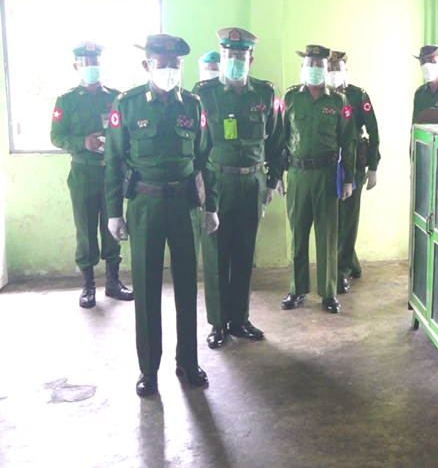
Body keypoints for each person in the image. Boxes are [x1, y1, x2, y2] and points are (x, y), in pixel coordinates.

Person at [105, 34, 210, 397]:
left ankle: (188, 362)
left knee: (187, 286)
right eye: (161, 64)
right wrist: (114, 213)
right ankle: (148, 369)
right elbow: (113, 162)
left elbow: (203, 160)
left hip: (185, 205)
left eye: (175, 65)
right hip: (145, 205)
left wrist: (210, 206)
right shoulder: (128, 104)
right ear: (147, 65)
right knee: (147, 288)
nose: (169, 70)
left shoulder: (193, 105)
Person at [194, 28, 281, 349]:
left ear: (250, 60)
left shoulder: (265, 94)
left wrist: (272, 180)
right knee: (216, 256)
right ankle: (218, 323)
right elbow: (196, 146)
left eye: (240, 56)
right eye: (229, 55)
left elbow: (276, 140)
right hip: (217, 182)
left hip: (252, 183)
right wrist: (199, 186)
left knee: (244, 254)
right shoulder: (204, 94)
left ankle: (240, 319)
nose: (235, 61)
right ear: (222, 57)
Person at [50, 41, 133, 308]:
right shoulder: (67, 101)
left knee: (113, 225)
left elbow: (126, 131)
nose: (92, 67)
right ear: (76, 66)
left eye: (95, 62)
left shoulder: (116, 98)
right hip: (83, 173)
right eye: (86, 63)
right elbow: (56, 136)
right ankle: (88, 286)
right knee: (85, 230)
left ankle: (113, 282)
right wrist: (82, 142)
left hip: (111, 172)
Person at [277, 44, 355, 314]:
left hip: (326, 175)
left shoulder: (338, 101)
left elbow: (348, 141)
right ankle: (297, 289)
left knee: (327, 237)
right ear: (303, 67)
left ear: (325, 68)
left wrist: (348, 179)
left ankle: (328, 293)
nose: (314, 69)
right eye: (310, 64)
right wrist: (277, 174)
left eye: (319, 65)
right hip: (297, 174)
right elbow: (280, 138)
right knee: (298, 235)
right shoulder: (290, 98)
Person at [327, 51, 380, 292]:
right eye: (329, 69)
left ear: (346, 71)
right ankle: (352, 263)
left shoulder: (359, 96)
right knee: (335, 218)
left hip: (354, 162)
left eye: (337, 69)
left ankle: (342, 271)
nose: (332, 74)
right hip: (330, 163)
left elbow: (373, 131)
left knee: (348, 218)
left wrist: (373, 167)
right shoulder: (323, 95)